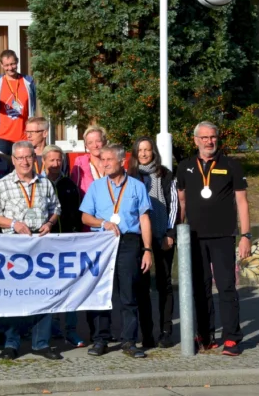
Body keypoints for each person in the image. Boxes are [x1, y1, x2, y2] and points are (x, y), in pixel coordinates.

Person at [176, 121, 250, 357]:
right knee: (200, 288)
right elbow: (182, 202)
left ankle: (232, 339)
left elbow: (242, 202)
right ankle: (206, 336)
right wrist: (179, 233)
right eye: (204, 137)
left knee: (227, 287)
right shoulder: (185, 166)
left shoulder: (231, 165)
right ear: (195, 140)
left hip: (223, 236)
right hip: (195, 238)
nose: (209, 141)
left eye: (213, 137)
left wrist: (246, 235)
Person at [0, 141, 62, 360]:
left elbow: (55, 208)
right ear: (13, 160)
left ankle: (41, 343)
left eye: (28, 157)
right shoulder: (2, 184)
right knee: (15, 296)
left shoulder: (45, 183)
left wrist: (49, 223)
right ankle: (12, 343)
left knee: (43, 295)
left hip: (40, 248)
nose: (24, 161)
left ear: (35, 158)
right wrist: (13, 224)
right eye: (19, 158)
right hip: (14, 248)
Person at [81, 144, 154, 360]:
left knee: (128, 293)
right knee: (102, 293)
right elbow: (85, 217)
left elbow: (144, 218)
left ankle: (129, 341)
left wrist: (148, 249)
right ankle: (100, 339)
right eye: (102, 160)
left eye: (108, 160)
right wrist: (103, 223)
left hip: (129, 242)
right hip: (102, 242)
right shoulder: (96, 187)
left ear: (121, 161)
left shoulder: (137, 186)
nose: (104, 163)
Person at [129, 136, 179, 349]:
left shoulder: (165, 174)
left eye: (147, 150)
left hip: (163, 236)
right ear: (135, 153)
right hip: (139, 240)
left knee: (164, 284)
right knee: (141, 287)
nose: (144, 154)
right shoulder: (131, 176)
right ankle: (147, 332)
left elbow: (174, 205)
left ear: (154, 152)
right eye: (140, 150)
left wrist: (170, 232)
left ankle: (166, 330)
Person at [42, 144, 86, 349]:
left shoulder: (69, 185)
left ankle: (70, 330)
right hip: (44, 243)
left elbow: (77, 213)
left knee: (70, 288)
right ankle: (48, 331)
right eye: (51, 160)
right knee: (46, 289)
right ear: (43, 161)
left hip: (67, 242)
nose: (55, 164)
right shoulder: (37, 182)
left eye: (58, 160)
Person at [0, 50, 36, 155]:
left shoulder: (28, 81)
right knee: (3, 169)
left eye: (13, 64)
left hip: (24, 137)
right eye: (7, 65)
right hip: (2, 137)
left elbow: (33, 106)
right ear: (1, 65)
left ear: (17, 62)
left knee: (23, 168)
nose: (10, 68)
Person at [70, 125, 107, 198]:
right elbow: (74, 192)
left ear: (104, 142)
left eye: (98, 141)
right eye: (90, 143)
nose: (95, 145)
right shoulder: (80, 164)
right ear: (86, 146)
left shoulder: (113, 163)